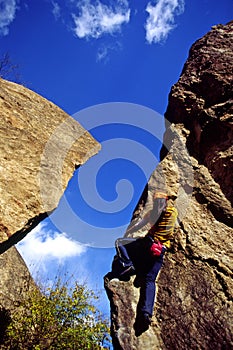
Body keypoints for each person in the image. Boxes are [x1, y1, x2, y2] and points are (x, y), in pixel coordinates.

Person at [109, 191, 178, 335]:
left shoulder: (152, 214)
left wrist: (128, 233)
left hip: (148, 245)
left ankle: (127, 265)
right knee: (150, 280)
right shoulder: (172, 212)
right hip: (160, 251)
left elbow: (138, 226)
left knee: (120, 242)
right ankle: (146, 313)